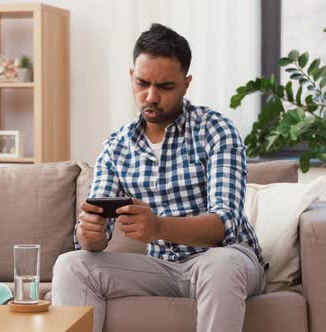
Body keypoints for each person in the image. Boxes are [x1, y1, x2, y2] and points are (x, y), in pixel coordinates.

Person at [52, 23, 266, 332]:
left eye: (165, 87)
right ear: (131, 77)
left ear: (186, 83)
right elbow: (91, 242)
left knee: (223, 264)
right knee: (71, 264)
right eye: (142, 83)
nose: (150, 96)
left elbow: (224, 224)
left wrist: (159, 227)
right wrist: (91, 233)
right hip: (162, 268)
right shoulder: (117, 146)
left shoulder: (216, 131)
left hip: (224, 259)